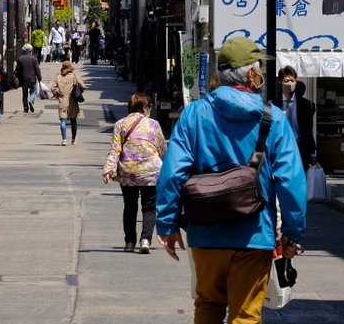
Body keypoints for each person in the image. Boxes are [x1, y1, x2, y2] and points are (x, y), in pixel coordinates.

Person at [156, 37, 307, 324]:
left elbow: (172, 172)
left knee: (209, 305)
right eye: (260, 67)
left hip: (206, 231)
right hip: (254, 235)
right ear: (252, 74)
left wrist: (167, 223)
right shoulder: (273, 119)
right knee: (246, 315)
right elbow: (290, 181)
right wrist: (292, 232)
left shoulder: (194, 115)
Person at [102, 93, 166, 253]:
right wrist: (169, 167)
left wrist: (109, 169)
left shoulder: (120, 124)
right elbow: (162, 148)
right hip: (151, 172)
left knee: (129, 206)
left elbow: (115, 150)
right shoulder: (154, 125)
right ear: (144, 107)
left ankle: (130, 241)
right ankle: (145, 239)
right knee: (149, 207)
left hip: (128, 172)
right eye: (149, 107)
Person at [271, 65, 317, 169]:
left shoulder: (306, 105)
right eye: (286, 80)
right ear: (280, 82)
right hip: (280, 148)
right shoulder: (273, 104)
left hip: (300, 148)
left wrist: (312, 153)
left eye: (292, 80)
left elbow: (308, 130)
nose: (290, 83)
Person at [50, 60, 86, 146]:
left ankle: (64, 139)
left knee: (63, 119)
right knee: (73, 120)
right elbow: (83, 85)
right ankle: (73, 139)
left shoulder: (58, 77)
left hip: (62, 100)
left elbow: (52, 88)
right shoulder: (73, 76)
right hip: (72, 100)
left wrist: (57, 95)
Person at [14, 43, 41, 113]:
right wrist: (39, 77)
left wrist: (16, 76)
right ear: (30, 50)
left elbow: (18, 70)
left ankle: (25, 107)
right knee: (33, 92)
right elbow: (37, 69)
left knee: (24, 94)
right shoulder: (34, 58)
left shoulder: (20, 58)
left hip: (24, 79)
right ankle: (31, 100)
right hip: (32, 78)